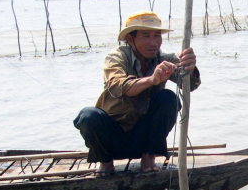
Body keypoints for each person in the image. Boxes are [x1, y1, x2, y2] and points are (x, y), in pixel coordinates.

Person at [73, 11, 200, 174]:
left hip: (144, 139)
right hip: (112, 137)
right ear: (130, 40)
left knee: (169, 99)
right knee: (88, 116)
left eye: (157, 36)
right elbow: (119, 86)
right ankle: (105, 163)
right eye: (146, 36)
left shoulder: (164, 59)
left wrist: (189, 67)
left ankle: (149, 157)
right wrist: (151, 80)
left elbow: (189, 85)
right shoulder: (116, 57)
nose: (153, 42)